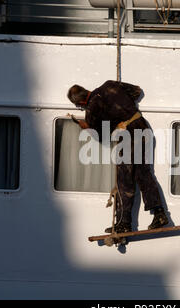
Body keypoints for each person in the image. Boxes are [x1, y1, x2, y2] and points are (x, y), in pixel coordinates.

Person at [67, 80, 169, 233]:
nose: (81, 107)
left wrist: (86, 127)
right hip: (143, 127)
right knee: (143, 173)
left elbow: (99, 136)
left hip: (129, 136)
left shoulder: (92, 109)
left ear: (81, 102)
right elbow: (137, 91)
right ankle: (160, 214)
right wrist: (122, 106)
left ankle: (123, 223)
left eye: (79, 105)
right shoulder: (109, 85)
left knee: (124, 179)